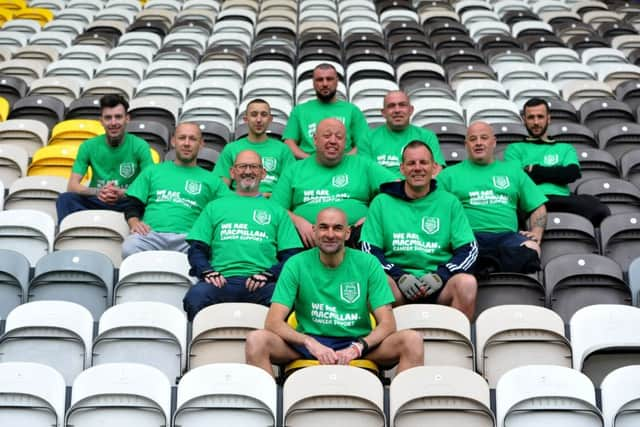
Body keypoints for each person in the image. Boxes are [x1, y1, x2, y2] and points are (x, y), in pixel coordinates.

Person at [245, 207, 424, 377]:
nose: (330, 234)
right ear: (314, 231)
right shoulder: (296, 264)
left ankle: (395, 407)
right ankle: (270, 408)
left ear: (347, 233)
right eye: (323, 227)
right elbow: (273, 322)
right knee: (256, 340)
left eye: (337, 228)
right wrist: (310, 343)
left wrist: (358, 347)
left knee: (412, 340)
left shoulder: (368, 263)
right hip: (309, 342)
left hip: (356, 341)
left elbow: (387, 324)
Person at [360, 141, 478, 319]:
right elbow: (368, 251)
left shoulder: (449, 202)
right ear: (402, 168)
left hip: (439, 285)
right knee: (378, 281)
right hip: (398, 287)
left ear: (435, 168)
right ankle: (386, 344)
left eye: (423, 163)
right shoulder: (381, 202)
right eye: (411, 163)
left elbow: (469, 250)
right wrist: (399, 276)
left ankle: (457, 344)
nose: (417, 168)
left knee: (467, 283)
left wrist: (441, 276)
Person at [183, 150, 303, 321]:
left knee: (285, 300)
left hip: (262, 283)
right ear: (232, 172)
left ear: (263, 173)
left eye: (254, 167)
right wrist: (207, 272)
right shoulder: (214, 207)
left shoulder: (277, 210)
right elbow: (196, 249)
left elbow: (292, 255)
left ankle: (269, 347)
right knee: (196, 296)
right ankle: (206, 347)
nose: (248, 171)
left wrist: (268, 274)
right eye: (242, 167)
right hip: (221, 281)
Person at [438, 121, 548, 275]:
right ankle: (490, 265)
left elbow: (537, 205)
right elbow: (434, 208)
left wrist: (537, 230)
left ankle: (485, 266)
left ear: (494, 142)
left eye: (484, 138)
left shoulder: (513, 171)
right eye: (473, 139)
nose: (478, 143)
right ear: (466, 144)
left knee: (532, 249)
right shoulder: (448, 175)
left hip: (507, 237)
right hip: (468, 237)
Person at [271, 118, 396, 248]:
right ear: (315, 139)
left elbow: (399, 186)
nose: (333, 141)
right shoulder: (295, 169)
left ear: (346, 142)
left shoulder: (363, 165)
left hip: (356, 238)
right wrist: (298, 221)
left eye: (339, 137)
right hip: (306, 239)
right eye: (327, 136)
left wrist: (371, 217)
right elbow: (275, 208)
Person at [121, 122, 230, 258]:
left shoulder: (213, 180)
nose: (186, 143)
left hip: (189, 239)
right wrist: (135, 222)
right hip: (150, 236)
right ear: (173, 141)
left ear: (201, 144)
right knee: (129, 247)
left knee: (207, 255)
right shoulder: (153, 171)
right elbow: (132, 203)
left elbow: (229, 209)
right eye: (182, 138)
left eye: (192, 139)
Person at [504, 97, 610, 226]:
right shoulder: (514, 149)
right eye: (531, 117)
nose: (536, 122)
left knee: (599, 210)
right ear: (524, 120)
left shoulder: (565, 148)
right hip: (530, 200)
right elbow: (517, 178)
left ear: (549, 119)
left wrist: (536, 171)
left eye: (540, 117)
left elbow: (572, 173)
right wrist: (557, 173)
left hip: (561, 199)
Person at [56, 94, 153, 223]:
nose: (113, 123)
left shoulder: (140, 146)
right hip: (97, 199)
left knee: (149, 204)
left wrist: (122, 192)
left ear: (127, 119)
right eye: (108, 118)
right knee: (65, 199)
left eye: (118, 117)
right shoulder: (88, 146)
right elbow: (72, 186)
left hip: (127, 201)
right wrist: (98, 191)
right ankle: (76, 235)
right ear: (101, 121)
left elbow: (150, 185)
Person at [283, 63, 369, 159]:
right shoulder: (299, 111)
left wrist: (342, 162)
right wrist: (311, 161)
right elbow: (289, 143)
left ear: (337, 81)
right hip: (308, 166)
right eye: (320, 80)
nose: (325, 84)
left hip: (344, 166)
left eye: (329, 79)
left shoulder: (352, 110)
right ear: (313, 83)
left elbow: (363, 144)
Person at [213, 98, 295, 197]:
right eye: (254, 114)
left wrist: (267, 196)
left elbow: (290, 187)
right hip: (239, 202)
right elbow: (221, 189)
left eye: (264, 115)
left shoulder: (283, 149)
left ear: (270, 119)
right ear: (246, 119)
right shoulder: (231, 149)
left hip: (272, 203)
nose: (259, 120)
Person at [359, 90, 446, 178]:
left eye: (402, 105)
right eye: (391, 106)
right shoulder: (368, 138)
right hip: (381, 190)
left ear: (411, 110)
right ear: (383, 113)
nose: (397, 110)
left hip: (418, 190)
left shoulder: (427, 137)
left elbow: (436, 171)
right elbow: (366, 173)